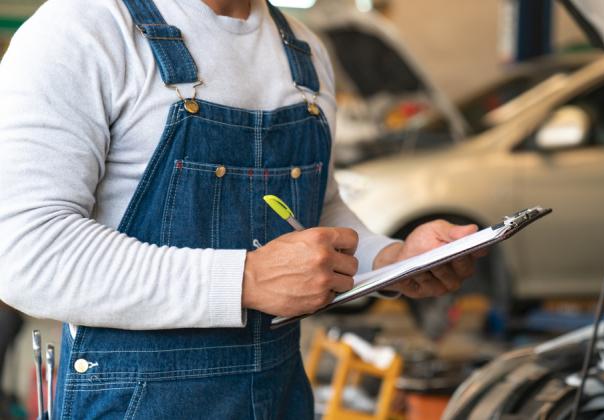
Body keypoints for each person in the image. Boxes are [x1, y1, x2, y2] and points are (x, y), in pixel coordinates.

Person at [0, 0, 481, 418]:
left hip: (279, 396)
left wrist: (393, 260)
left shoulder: (304, 50)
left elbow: (319, 210)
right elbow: (26, 253)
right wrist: (246, 279)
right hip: (133, 403)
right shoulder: (83, 29)